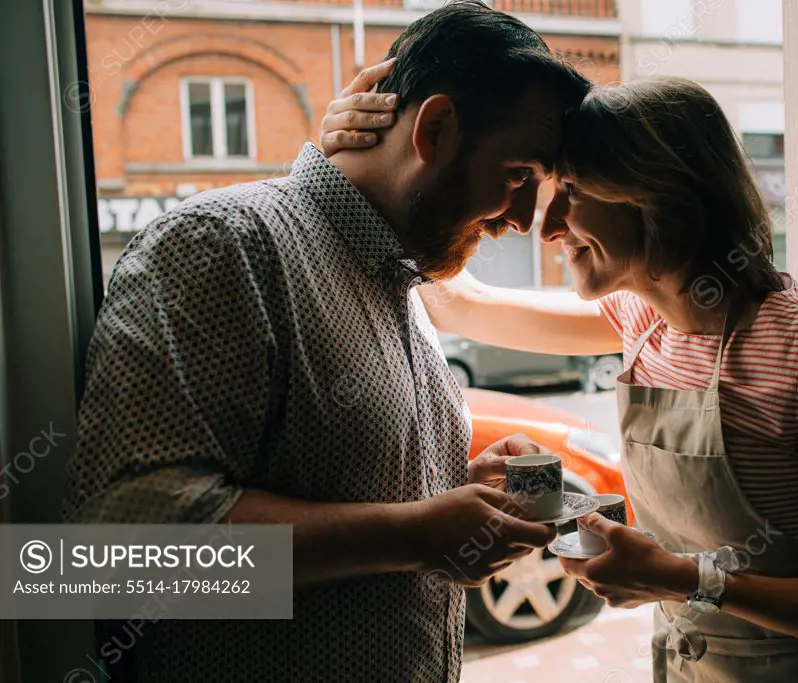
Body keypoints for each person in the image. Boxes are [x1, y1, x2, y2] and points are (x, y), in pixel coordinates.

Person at [320, 70, 798, 681]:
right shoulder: (641, 319)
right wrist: (359, 156)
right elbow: (459, 302)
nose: (550, 225)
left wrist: (687, 580)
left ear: (658, 195)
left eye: (573, 190)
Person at [61, 3, 591, 682]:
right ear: (434, 128)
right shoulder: (223, 247)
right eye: (519, 175)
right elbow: (111, 556)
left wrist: (457, 494)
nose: (521, 220)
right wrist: (412, 536)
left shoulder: (404, 280)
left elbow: (332, 486)